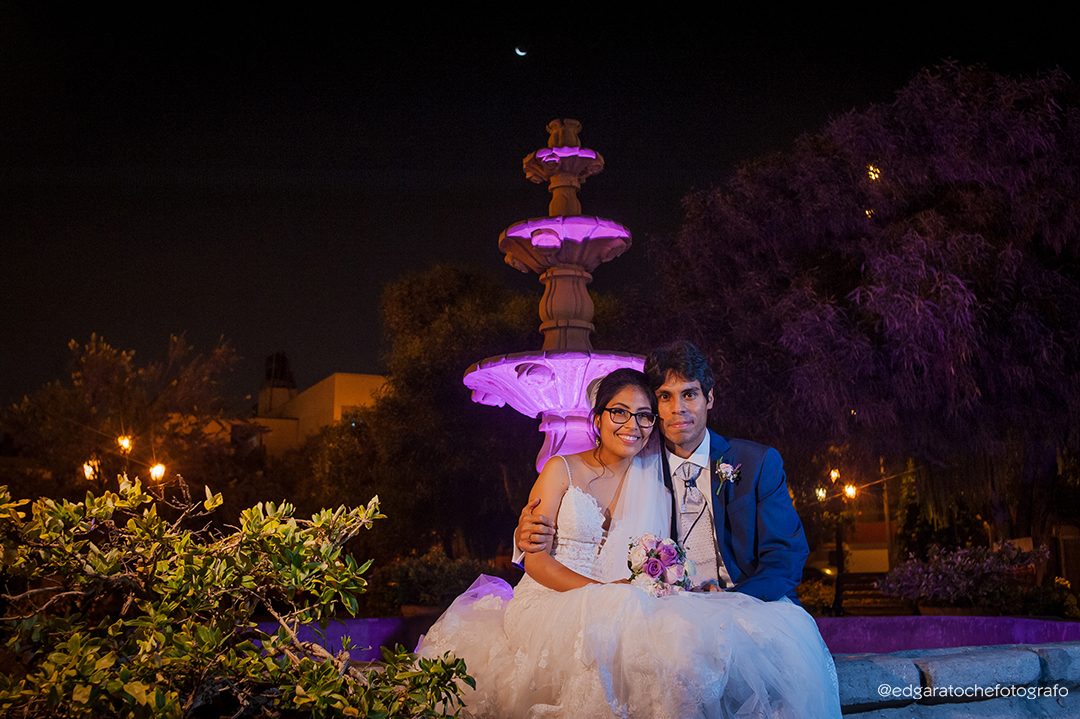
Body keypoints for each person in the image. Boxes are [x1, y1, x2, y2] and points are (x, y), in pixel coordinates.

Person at [419, 367, 841, 718]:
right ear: (597, 418)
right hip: (553, 597)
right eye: (619, 413)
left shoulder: (656, 472)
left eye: (643, 415)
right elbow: (535, 561)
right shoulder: (559, 469)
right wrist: (598, 590)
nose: (632, 425)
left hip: (629, 600)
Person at [517, 340, 809, 601]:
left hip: (750, 601)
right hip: (673, 609)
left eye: (690, 395)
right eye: (665, 397)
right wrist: (526, 531)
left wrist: (735, 600)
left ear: (710, 398)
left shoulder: (758, 462)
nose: (677, 408)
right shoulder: (643, 466)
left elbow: (786, 556)